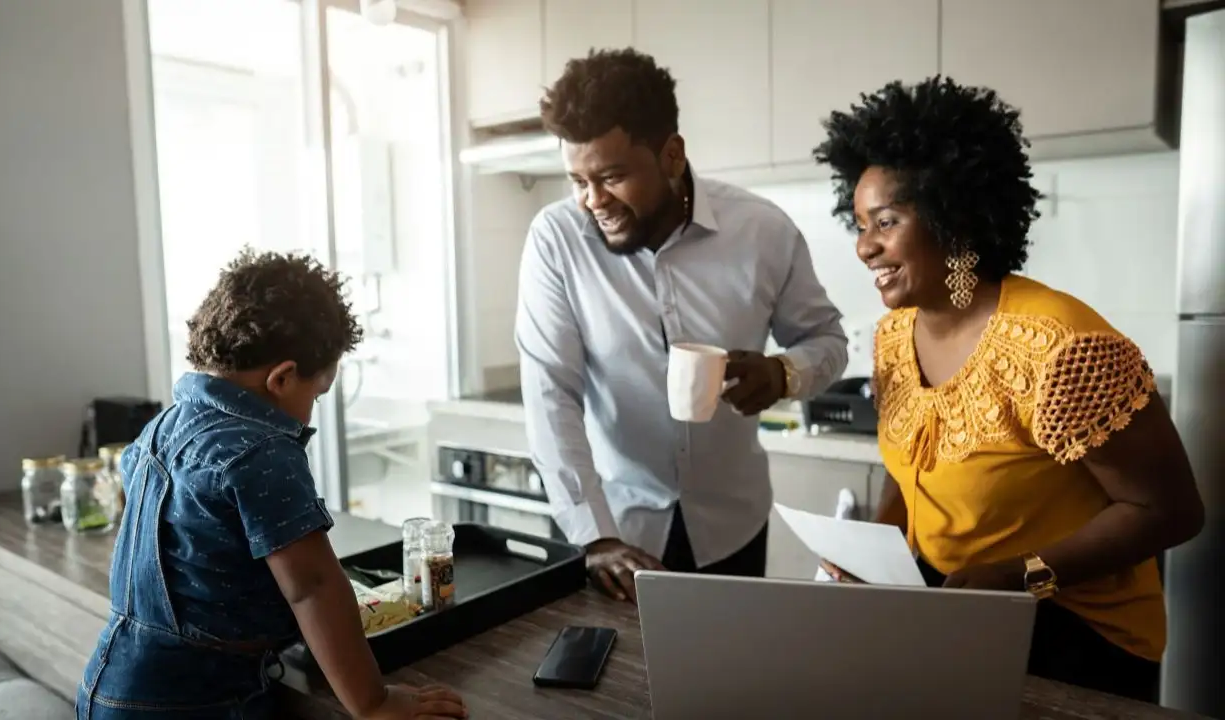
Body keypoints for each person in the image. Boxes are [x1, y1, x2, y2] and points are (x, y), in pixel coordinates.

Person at [811, 76, 1205, 703]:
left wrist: (1023, 577)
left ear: (954, 215)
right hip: (959, 606)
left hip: (1076, 632)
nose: (864, 246)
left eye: (885, 220)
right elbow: (912, 463)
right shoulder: (893, 336)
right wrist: (872, 550)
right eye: (859, 223)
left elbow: (1173, 510)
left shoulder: (1060, 347)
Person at [517, 48, 848, 603]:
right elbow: (552, 394)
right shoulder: (557, 240)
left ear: (672, 155)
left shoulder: (764, 231)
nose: (593, 201)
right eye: (578, 180)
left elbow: (828, 341)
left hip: (732, 529)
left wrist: (784, 373)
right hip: (612, 531)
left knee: (726, 683)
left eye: (612, 176)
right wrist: (594, 536)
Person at [77, 249, 465, 719]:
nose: (312, 409)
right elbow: (314, 587)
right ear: (282, 377)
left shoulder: (161, 426)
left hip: (113, 681)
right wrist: (374, 702)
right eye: (317, 394)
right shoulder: (261, 451)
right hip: (194, 701)